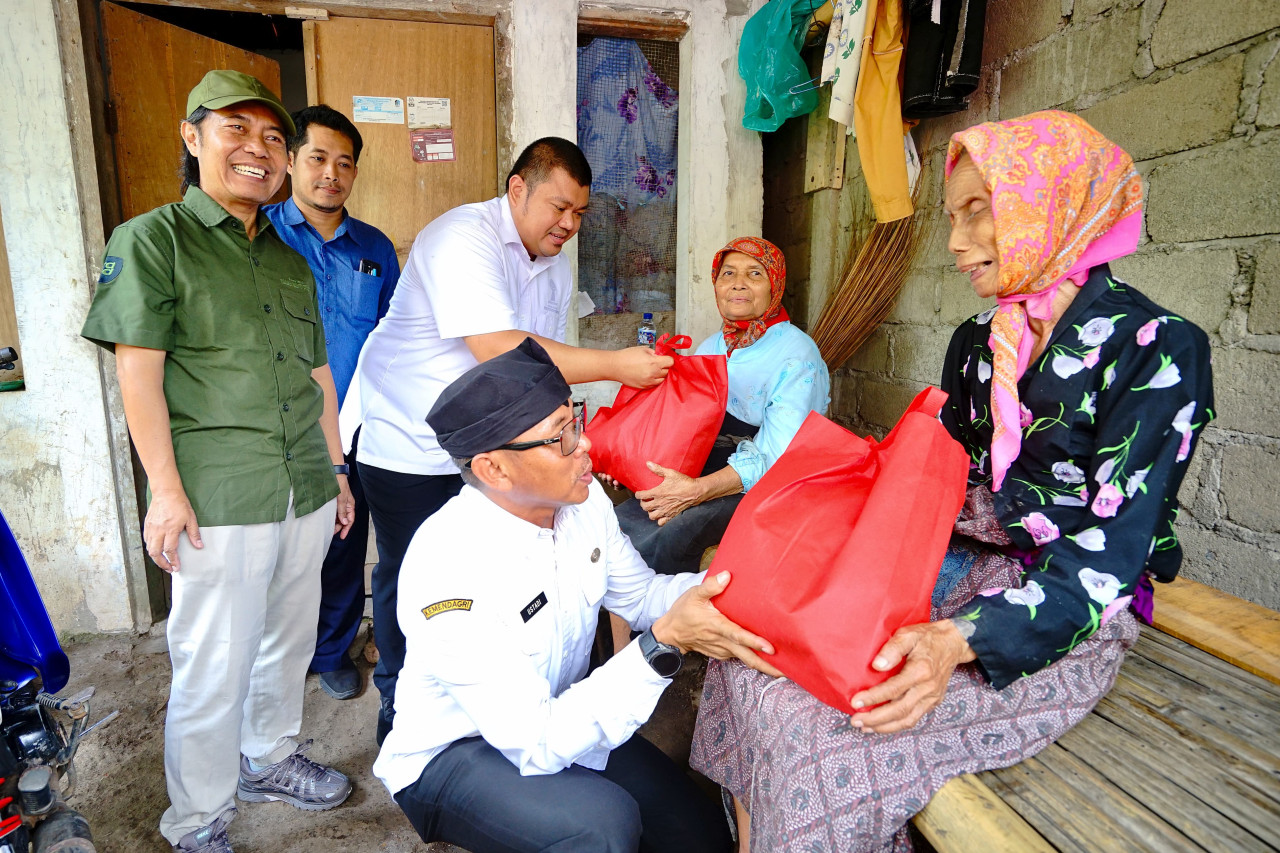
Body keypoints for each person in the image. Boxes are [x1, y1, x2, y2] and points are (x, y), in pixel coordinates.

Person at [689, 111, 1215, 851]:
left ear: (1051, 205)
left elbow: (1108, 558)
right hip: (955, 560)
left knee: (835, 733)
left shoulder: (1158, 349)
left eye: (979, 213)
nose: (956, 243)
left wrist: (957, 640)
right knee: (754, 652)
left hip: (1059, 605)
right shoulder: (977, 343)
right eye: (953, 216)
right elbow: (939, 482)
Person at [80, 70, 356, 853]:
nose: (257, 149)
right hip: (218, 493)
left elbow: (317, 376)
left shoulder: (288, 258)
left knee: (286, 641)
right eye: (236, 129)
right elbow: (138, 372)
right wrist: (164, 492)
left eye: (273, 137)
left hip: (302, 482)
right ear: (192, 135)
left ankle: (268, 758)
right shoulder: (151, 239)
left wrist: (336, 472)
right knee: (211, 663)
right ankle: (198, 817)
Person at [374, 338, 780, 853]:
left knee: (695, 833)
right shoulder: (449, 565)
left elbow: (642, 595)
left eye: (577, 422)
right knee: (600, 828)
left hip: (557, 713)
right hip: (458, 751)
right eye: (559, 438)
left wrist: (738, 586)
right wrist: (661, 644)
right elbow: (537, 739)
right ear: (493, 470)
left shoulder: (583, 507)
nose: (584, 446)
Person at [346, 137, 674, 742]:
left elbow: (536, 380)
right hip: (409, 438)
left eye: (580, 213)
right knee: (410, 575)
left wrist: (566, 436)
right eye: (558, 208)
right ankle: (403, 712)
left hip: (495, 449)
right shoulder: (460, 237)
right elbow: (501, 352)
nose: (569, 225)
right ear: (517, 189)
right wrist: (616, 365)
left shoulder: (552, 263)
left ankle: (521, 708)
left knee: (503, 575)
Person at [265, 104, 399, 700]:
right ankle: (275, 660)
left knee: (344, 542)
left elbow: (395, 335)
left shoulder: (373, 247)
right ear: (291, 160)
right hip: (276, 430)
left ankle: (331, 649)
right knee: (279, 551)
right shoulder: (259, 235)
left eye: (344, 163)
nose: (330, 174)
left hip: (354, 428)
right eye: (318, 158)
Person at [612, 237, 830, 576]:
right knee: (615, 527)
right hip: (702, 476)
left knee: (669, 538)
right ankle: (628, 627)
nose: (738, 284)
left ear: (775, 285)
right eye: (728, 273)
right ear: (715, 284)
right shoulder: (711, 345)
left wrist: (695, 491)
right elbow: (686, 428)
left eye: (755, 273)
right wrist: (632, 462)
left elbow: (776, 457)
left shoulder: (797, 355)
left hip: (763, 491)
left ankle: (667, 626)